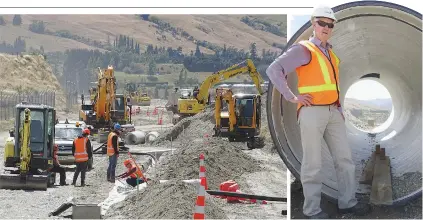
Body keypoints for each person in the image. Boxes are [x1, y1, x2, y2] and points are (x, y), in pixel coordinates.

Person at [266, 5, 371, 219]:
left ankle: (347, 203)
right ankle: (312, 211)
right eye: (322, 23)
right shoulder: (304, 49)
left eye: (330, 24)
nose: (326, 27)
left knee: (344, 159)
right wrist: (291, 96)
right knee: (313, 163)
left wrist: (339, 106)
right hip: (311, 113)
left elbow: (332, 84)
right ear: (314, 24)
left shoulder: (331, 54)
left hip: (333, 113)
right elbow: (273, 70)